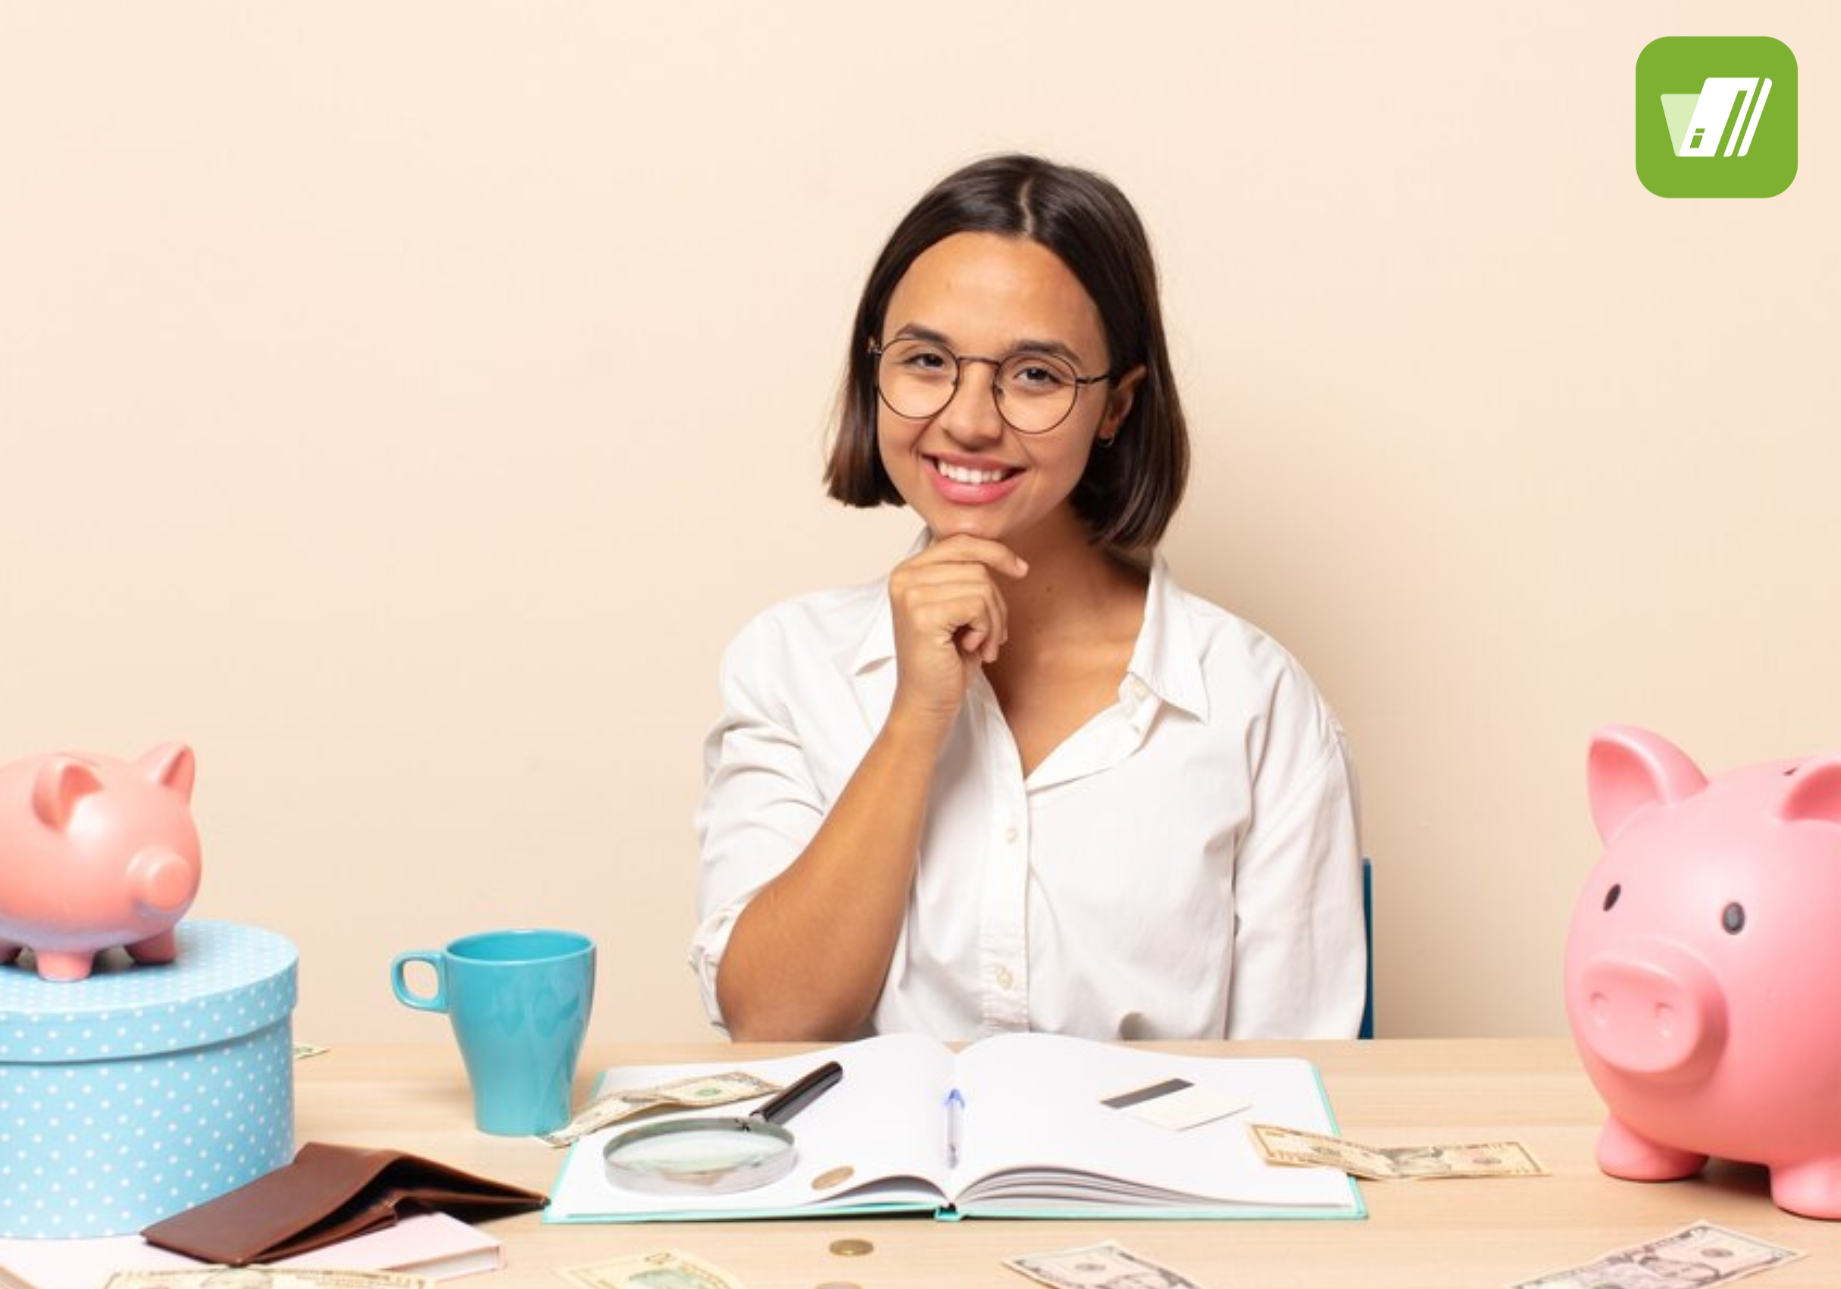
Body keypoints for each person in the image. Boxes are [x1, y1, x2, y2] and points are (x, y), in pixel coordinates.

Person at [689, 153, 1364, 1042]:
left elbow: (1298, 1091)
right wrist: (914, 719)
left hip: (1169, 1184)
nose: (969, 419)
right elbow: (771, 1025)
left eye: (1035, 374)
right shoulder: (786, 662)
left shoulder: (1255, 702)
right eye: (926, 360)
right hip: (876, 1181)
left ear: (1116, 405)